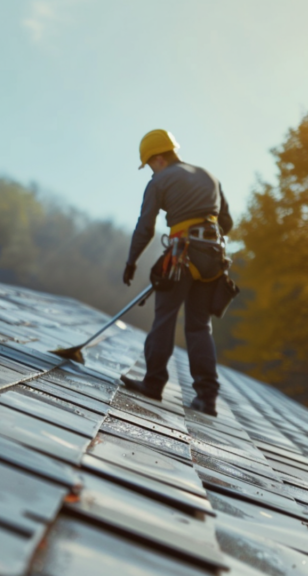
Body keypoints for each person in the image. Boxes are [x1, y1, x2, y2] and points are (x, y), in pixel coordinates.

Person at [121, 129, 232, 417]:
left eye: (149, 164)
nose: (150, 170)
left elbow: (145, 227)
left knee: (165, 317)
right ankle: (207, 398)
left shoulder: (160, 181)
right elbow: (227, 222)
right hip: (214, 258)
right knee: (199, 326)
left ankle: (153, 382)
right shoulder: (210, 176)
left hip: (182, 254)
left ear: (158, 158)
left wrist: (131, 261)